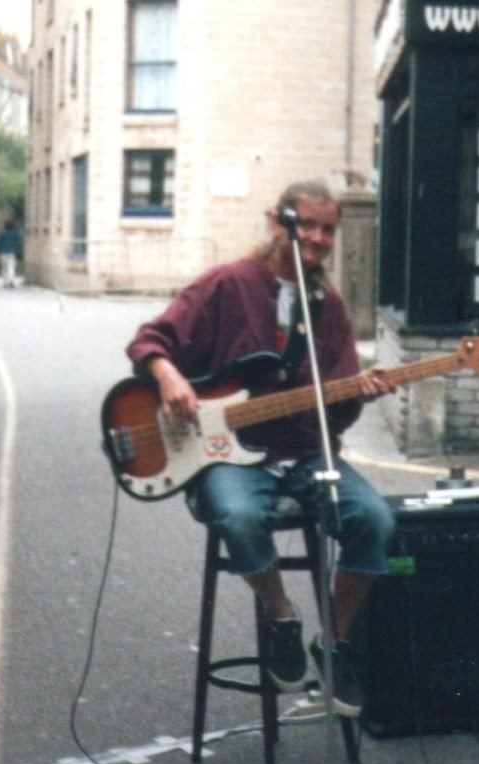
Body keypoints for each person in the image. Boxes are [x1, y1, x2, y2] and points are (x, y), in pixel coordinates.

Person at [126, 179, 395, 716]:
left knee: (376, 521)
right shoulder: (229, 283)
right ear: (278, 223)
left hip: (306, 453)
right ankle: (282, 619)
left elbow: (333, 409)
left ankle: (333, 642)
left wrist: (358, 392)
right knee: (240, 514)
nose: (317, 238)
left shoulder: (329, 307)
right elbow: (149, 339)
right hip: (226, 453)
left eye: (328, 230)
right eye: (307, 226)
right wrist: (167, 376)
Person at [0, 219, 21, 288]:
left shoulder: (1, 233)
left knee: (4, 268)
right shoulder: (16, 233)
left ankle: (5, 282)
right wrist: (18, 252)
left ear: (4, 225)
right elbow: (18, 243)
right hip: (12, 253)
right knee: (11, 267)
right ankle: (11, 280)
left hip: (3, 253)